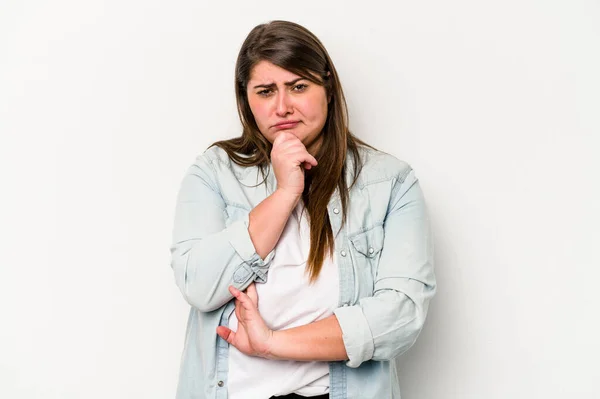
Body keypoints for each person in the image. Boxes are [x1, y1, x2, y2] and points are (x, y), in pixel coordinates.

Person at [170, 20, 436, 399]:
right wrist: (284, 194)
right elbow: (199, 285)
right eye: (265, 91)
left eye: (298, 86)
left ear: (327, 87)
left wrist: (272, 343)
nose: (282, 107)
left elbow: (401, 315)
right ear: (247, 100)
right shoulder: (214, 172)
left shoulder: (390, 183)